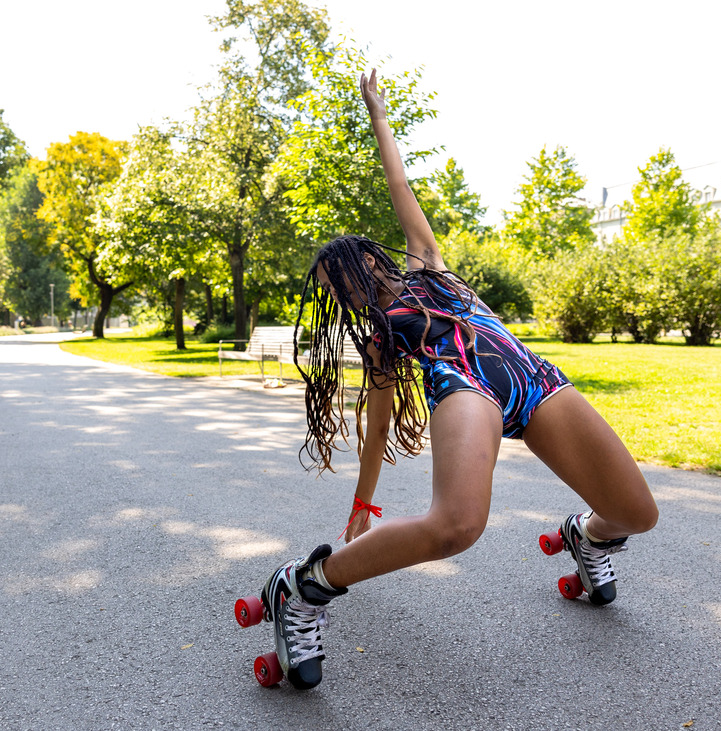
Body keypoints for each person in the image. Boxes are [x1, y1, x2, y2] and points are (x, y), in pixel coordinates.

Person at [254, 69, 658, 690]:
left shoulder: (429, 267)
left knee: (636, 511)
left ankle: (588, 536)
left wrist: (379, 116)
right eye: (337, 282)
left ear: (375, 256)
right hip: (467, 392)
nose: (351, 278)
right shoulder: (381, 334)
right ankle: (305, 586)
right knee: (456, 526)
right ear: (340, 296)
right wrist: (364, 499)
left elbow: (400, 187)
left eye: (354, 264)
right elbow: (377, 424)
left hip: (536, 381)